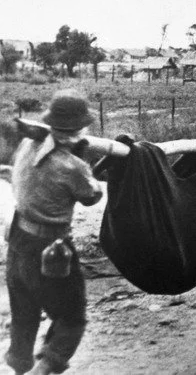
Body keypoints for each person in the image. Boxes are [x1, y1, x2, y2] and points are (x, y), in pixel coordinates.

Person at [6, 90, 103, 375]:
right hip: (51, 248)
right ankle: (43, 369)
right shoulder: (73, 166)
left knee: (24, 315)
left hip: (18, 241)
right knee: (72, 319)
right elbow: (92, 196)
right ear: (79, 128)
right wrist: (81, 162)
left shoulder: (26, 144)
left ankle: (18, 368)